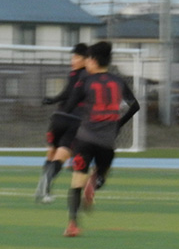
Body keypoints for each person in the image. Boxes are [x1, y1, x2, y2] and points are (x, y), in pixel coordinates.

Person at [60, 41, 139, 237]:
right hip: (107, 140)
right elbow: (134, 105)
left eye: (87, 59)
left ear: (94, 61)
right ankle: (94, 183)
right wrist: (118, 124)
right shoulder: (119, 81)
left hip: (85, 138)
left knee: (77, 180)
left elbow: (68, 107)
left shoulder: (85, 81)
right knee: (101, 174)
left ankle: (73, 224)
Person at [35, 43, 88, 203]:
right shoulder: (89, 76)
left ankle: (45, 188)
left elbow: (67, 93)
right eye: (73, 57)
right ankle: (46, 184)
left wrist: (54, 99)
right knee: (62, 154)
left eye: (76, 57)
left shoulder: (74, 75)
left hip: (58, 117)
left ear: (86, 59)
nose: (73, 60)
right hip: (75, 120)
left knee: (51, 152)